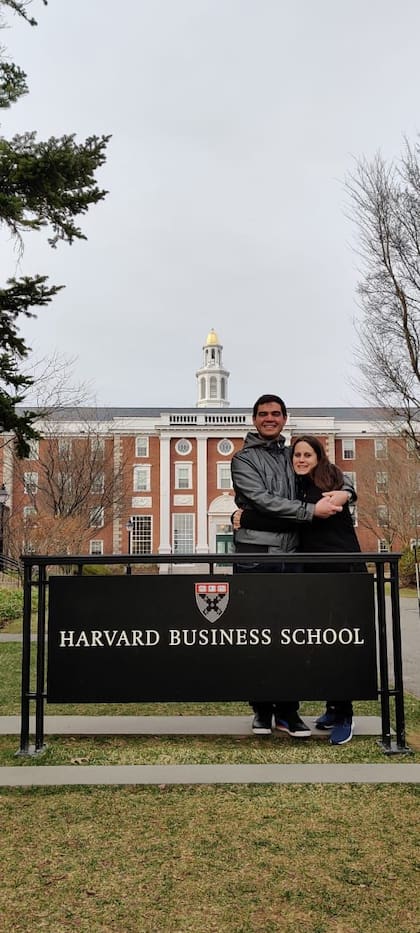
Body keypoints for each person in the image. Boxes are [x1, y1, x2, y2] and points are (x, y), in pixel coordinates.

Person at [231, 395, 353, 739]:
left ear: (284, 419)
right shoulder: (243, 459)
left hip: (294, 555)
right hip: (255, 557)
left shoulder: (293, 456)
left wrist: (347, 494)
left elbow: (332, 477)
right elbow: (262, 500)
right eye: (263, 414)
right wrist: (308, 512)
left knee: (290, 637)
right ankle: (261, 710)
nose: (269, 419)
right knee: (256, 636)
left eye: (276, 414)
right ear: (254, 419)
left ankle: (288, 711)